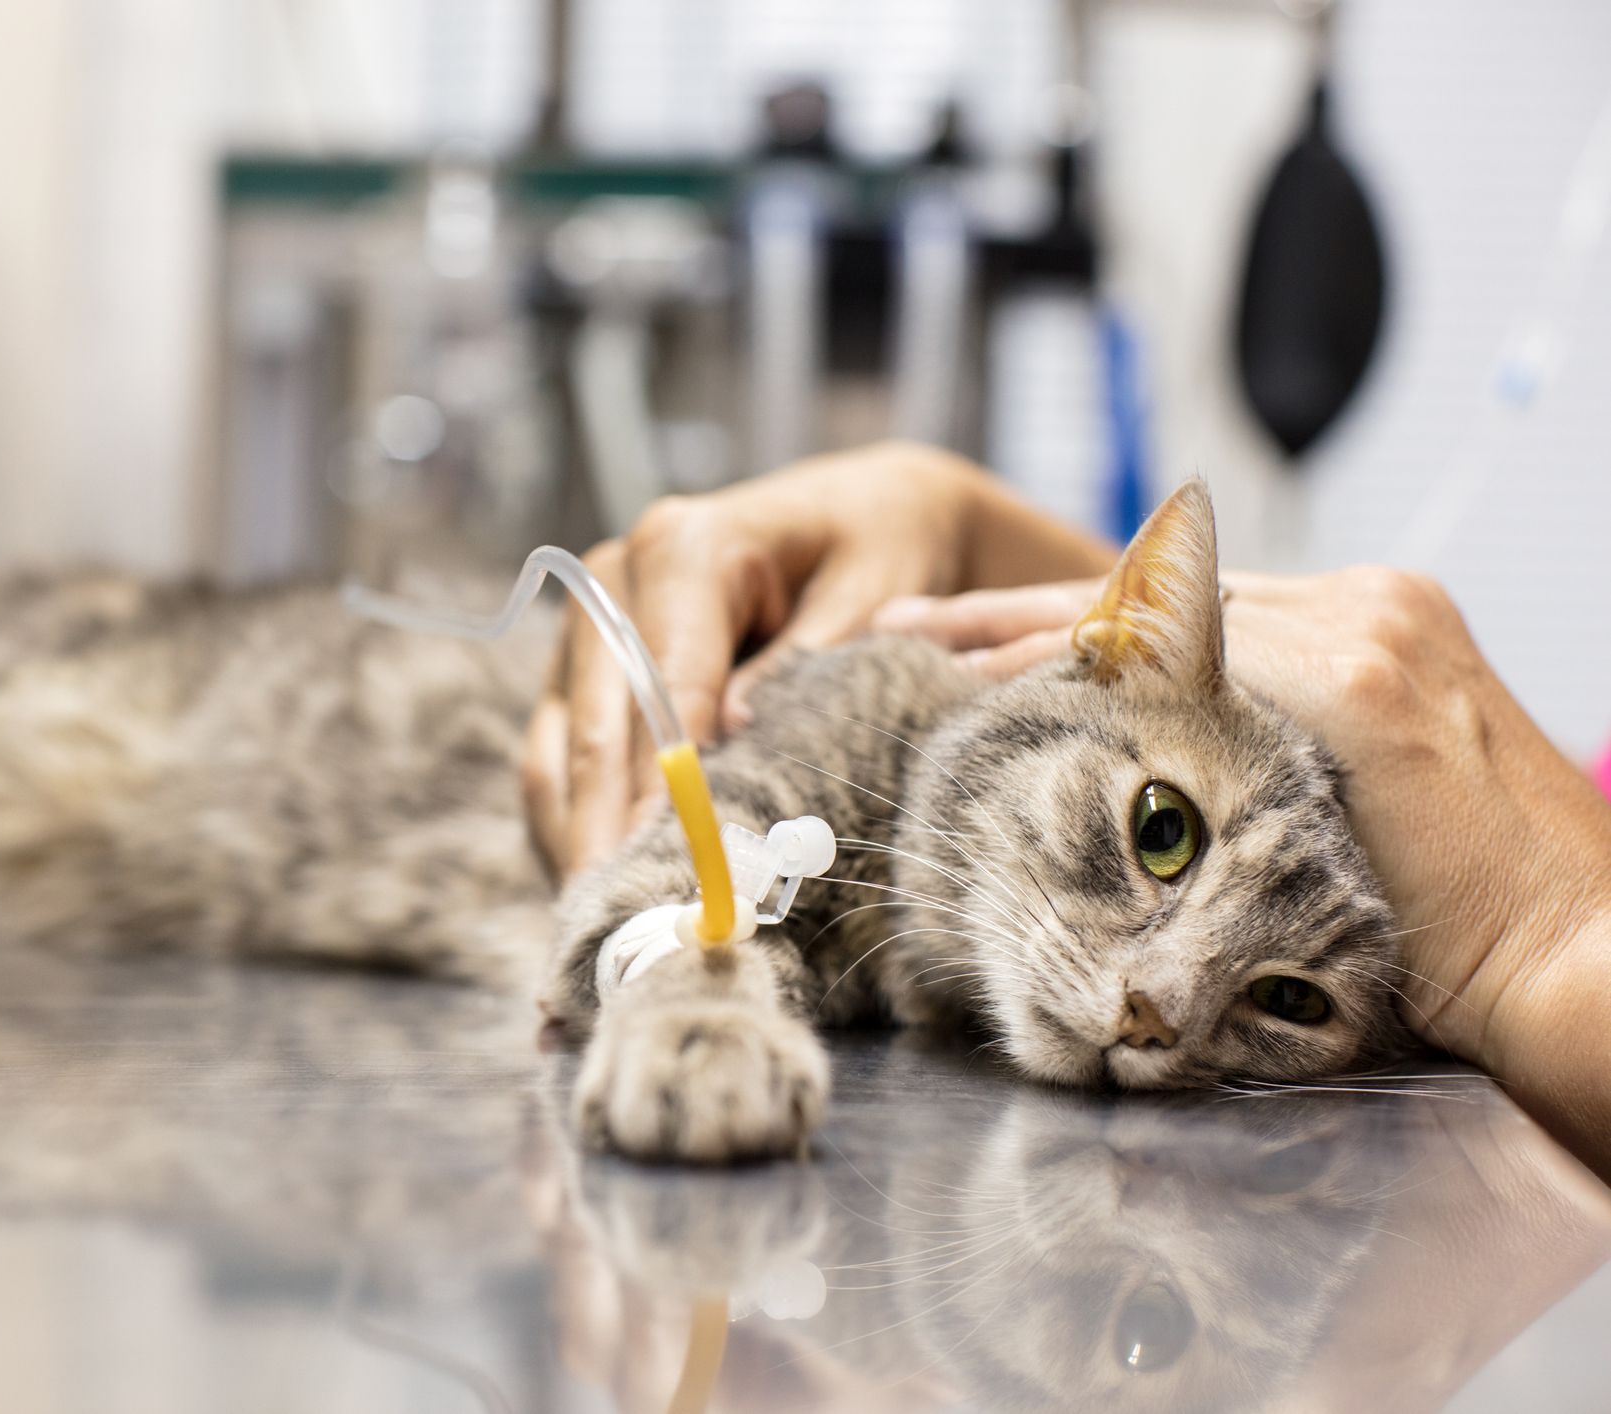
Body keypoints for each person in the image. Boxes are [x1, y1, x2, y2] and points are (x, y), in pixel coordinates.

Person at [524, 443, 1611, 1172]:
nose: (1161, 1008)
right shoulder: (884, 712)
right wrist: (957, 504)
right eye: (1163, 831)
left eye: (1291, 998)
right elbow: (642, 903)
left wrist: (1555, 929)